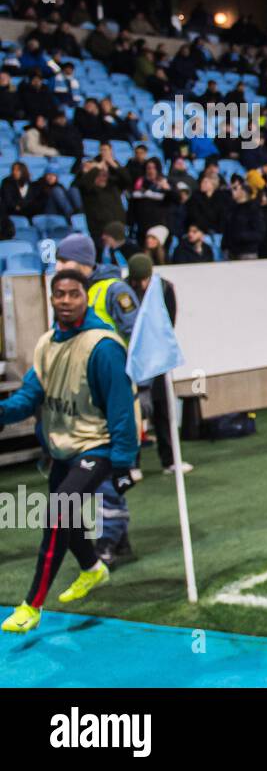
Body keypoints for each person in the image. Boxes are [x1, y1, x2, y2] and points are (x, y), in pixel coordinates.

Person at [0, 270, 139, 634]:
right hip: (63, 448)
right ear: (51, 299)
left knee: (57, 511)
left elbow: (121, 408)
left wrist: (124, 463)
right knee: (70, 519)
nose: (65, 301)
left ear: (85, 298)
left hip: (98, 445)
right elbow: (31, 395)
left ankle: (31, 605)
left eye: (73, 294)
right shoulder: (47, 343)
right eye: (59, 294)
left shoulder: (104, 346)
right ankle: (93, 569)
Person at [54, 233, 141, 566]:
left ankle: (108, 538)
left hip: (112, 396)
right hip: (81, 399)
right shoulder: (68, 296)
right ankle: (118, 537)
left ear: (85, 263)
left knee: (105, 471)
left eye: (65, 261)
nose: (59, 267)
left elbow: (136, 338)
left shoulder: (113, 291)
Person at [126, 253, 189, 474]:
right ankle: (132, 463)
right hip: (133, 359)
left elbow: (168, 322)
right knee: (133, 411)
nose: (141, 284)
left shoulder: (164, 288)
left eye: (144, 279)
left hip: (158, 358)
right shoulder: (124, 290)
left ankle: (170, 460)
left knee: (163, 409)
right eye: (138, 280)